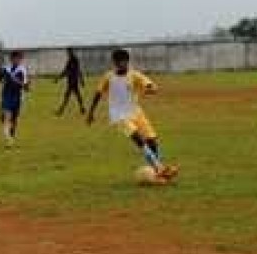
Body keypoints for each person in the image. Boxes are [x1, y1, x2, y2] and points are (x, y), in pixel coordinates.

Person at [86, 48, 177, 182]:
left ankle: (158, 172)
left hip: (136, 112)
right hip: (119, 116)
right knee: (138, 139)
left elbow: (150, 84)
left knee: (152, 141)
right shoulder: (109, 77)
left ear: (128, 61)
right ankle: (159, 168)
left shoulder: (134, 75)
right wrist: (91, 112)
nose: (122, 64)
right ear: (115, 63)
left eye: (124, 62)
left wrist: (151, 88)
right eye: (119, 62)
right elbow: (98, 93)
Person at [0, 50, 30, 148]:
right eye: (17, 58)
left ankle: (11, 138)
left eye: (20, 58)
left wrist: (14, 79)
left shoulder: (22, 70)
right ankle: (8, 138)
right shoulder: (6, 69)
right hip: (7, 96)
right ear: (12, 59)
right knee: (5, 117)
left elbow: (25, 86)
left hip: (17, 97)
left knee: (14, 120)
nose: (19, 60)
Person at [54, 47, 86, 115]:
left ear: (71, 51)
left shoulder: (74, 60)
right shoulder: (70, 60)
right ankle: (82, 109)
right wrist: (58, 78)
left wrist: (81, 79)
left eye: (68, 52)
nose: (68, 53)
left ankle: (61, 110)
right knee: (76, 95)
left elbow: (78, 70)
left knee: (69, 96)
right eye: (67, 52)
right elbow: (65, 71)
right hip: (71, 81)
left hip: (73, 81)